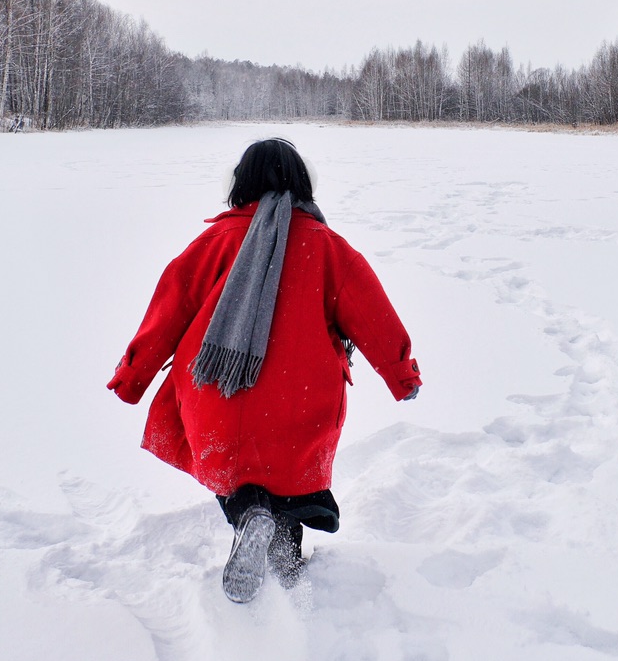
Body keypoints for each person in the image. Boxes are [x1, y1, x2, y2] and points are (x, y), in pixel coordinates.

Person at [106, 138, 421, 602]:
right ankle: (285, 560)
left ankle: (248, 512)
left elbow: (168, 311)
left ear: (240, 184)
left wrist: (132, 378)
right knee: (288, 474)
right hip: (303, 398)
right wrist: (402, 375)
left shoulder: (212, 244)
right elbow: (372, 313)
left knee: (231, 467)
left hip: (218, 392)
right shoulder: (328, 247)